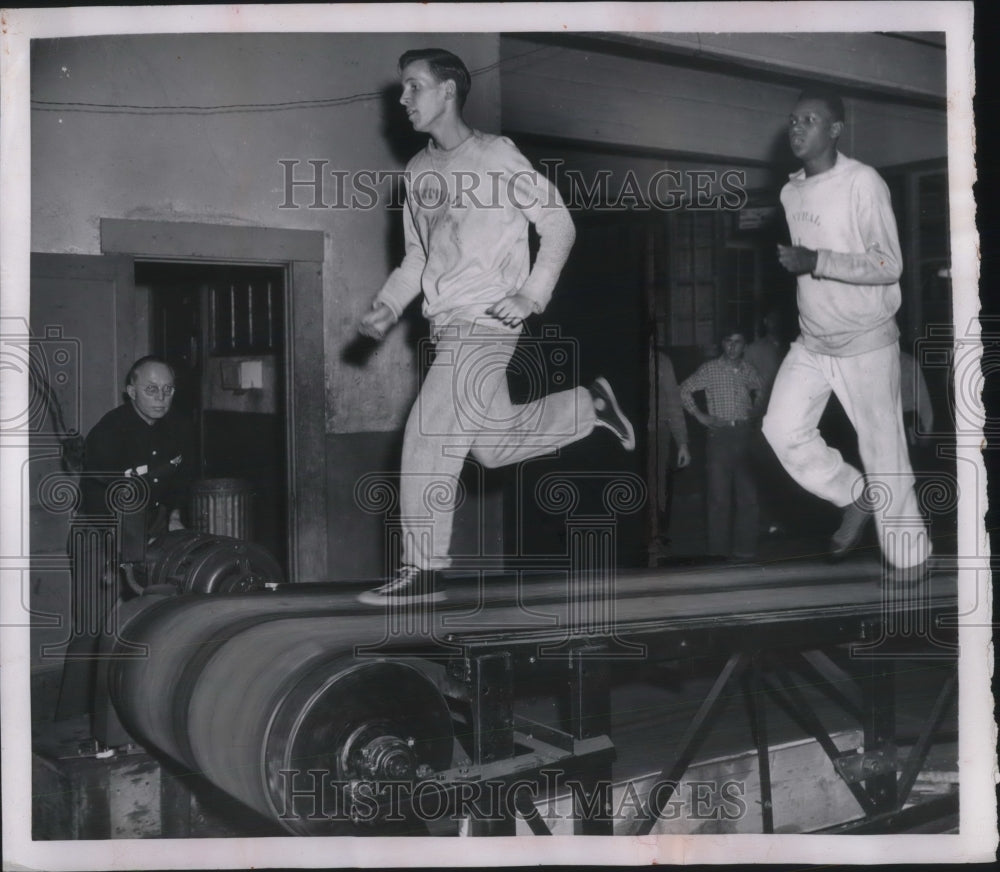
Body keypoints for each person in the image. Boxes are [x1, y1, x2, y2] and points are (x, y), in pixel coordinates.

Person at [356, 49, 634, 605]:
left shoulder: (495, 155)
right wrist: (388, 306)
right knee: (492, 445)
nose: (403, 98)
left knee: (428, 433)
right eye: (402, 89)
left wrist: (531, 294)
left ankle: (424, 568)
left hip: (487, 321)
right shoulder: (418, 172)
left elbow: (557, 224)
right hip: (446, 325)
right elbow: (417, 260)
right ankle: (587, 406)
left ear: (449, 93)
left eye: (414, 86)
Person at [762, 89, 930, 583]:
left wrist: (817, 261)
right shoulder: (790, 192)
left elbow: (888, 264)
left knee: (884, 449)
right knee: (780, 429)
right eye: (793, 120)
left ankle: (910, 557)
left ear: (835, 129)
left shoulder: (863, 182)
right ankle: (857, 498)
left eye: (810, 120)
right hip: (813, 341)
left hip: (866, 340)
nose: (797, 128)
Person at [57, 356, 194, 720]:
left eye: (168, 390)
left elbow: (178, 482)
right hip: (99, 534)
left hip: (150, 531)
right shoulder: (109, 431)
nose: (161, 397)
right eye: (151, 389)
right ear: (130, 390)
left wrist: (175, 519)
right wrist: (127, 551)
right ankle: (72, 722)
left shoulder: (178, 428)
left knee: (155, 620)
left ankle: (141, 713)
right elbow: (105, 502)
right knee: (93, 628)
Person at [680, 327, 764, 561]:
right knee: (719, 498)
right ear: (722, 344)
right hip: (720, 438)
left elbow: (761, 390)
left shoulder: (749, 370)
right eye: (728, 341)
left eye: (738, 342)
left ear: (744, 345)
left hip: (745, 435)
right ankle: (717, 552)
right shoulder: (709, 369)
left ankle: (745, 551)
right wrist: (700, 415)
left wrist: (756, 408)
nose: (732, 346)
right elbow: (683, 390)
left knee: (748, 497)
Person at [648, 337, 690, 556]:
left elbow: (674, 404)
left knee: (657, 487)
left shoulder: (662, 362)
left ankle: (654, 538)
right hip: (628, 436)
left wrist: (682, 443)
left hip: (658, 434)